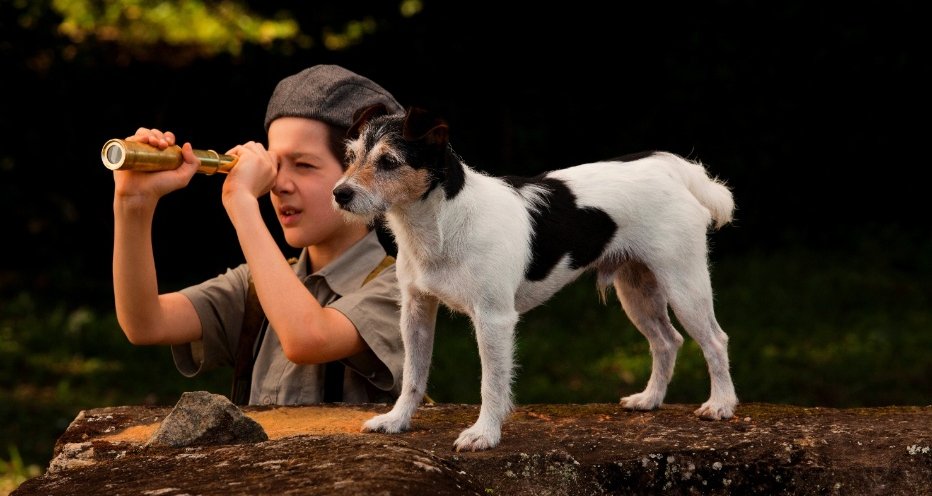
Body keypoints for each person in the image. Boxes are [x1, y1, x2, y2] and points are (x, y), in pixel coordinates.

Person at [112, 64, 415, 405]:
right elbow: (144, 323)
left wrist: (241, 203)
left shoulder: (402, 288)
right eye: (275, 166)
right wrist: (132, 204)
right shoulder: (258, 287)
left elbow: (306, 338)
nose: (279, 185)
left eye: (304, 165)